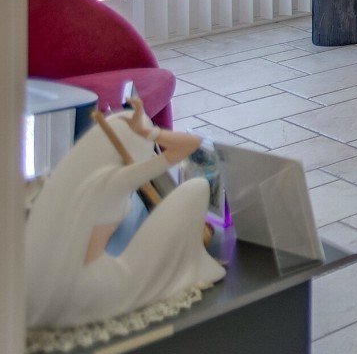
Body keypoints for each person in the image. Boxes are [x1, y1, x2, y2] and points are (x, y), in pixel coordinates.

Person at [24, 103, 225, 332]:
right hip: (98, 287)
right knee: (197, 188)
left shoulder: (74, 182)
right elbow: (192, 145)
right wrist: (149, 132)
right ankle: (191, 264)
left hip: (68, 288)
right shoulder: (113, 179)